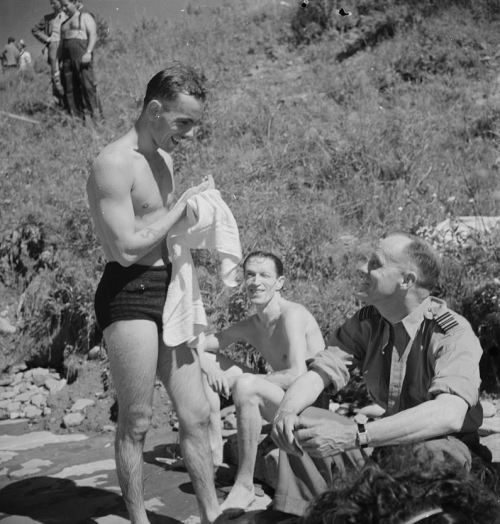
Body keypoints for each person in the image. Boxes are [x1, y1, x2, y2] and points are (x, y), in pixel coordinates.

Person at [87, 63, 222, 524]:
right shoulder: (113, 162)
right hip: (127, 292)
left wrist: (200, 215)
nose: (189, 132)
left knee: (198, 412)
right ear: (154, 109)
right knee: (138, 419)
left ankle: (212, 514)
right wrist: (181, 207)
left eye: (195, 123)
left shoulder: (164, 159)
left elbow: (163, 229)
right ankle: (138, 519)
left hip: (169, 288)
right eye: (183, 121)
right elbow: (125, 247)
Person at [272, 232, 487, 517]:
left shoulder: (452, 332)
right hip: (386, 446)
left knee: (427, 455)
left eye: (376, 263)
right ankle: (309, 515)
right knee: (304, 423)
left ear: (407, 281)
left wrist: (355, 435)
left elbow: (449, 414)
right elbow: (319, 373)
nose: (363, 268)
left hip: (449, 451)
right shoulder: (367, 323)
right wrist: (285, 412)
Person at [195, 251, 325, 513]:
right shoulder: (253, 324)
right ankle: (214, 444)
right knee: (207, 364)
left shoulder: (292, 315)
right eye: (250, 275)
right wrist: (210, 367)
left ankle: (244, 486)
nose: (255, 282)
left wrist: (249, 380)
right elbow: (200, 345)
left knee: (244, 384)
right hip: (280, 400)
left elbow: (298, 374)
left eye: (264, 275)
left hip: (309, 408)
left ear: (280, 282)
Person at [301, 445, 500, 524]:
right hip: (389, 446)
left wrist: (360, 432)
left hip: (440, 441)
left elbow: (450, 414)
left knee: (431, 448)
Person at [59, 0, 101, 119]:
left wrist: (88, 52)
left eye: (66, 5)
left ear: (75, 3)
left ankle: (97, 117)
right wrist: (60, 61)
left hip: (81, 55)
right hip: (67, 60)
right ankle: (77, 120)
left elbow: (93, 34)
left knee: (88, 86)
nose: (64, 9)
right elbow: (62, 44)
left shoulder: (85, 16)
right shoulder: (64, 24)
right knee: (70, 89)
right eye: (62, 6)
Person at [31, 0, 67, 106]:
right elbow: (35, 30)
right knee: (55, 74)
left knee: (67, 71)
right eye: (50, 3)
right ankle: (58, 103)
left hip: (67, 45)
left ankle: (69, 102)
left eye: (54, 2)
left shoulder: (68, 14)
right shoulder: (47, 18)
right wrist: (47, 39)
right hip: (54, 46)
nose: (51, 5)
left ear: (60, 2)